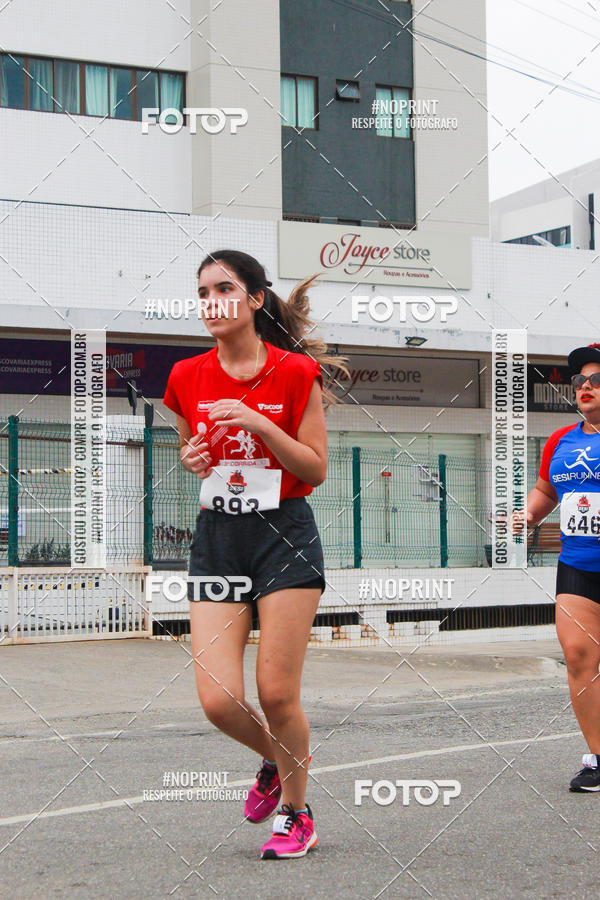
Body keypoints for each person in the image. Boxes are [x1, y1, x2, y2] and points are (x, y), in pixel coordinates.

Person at [163, 249, 344, 858]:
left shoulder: (295, 373)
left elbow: (314, 469)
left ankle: (297, 813)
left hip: (284, 536)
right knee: (217, 700)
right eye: (203, 292)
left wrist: (259, 423)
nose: (212, 302)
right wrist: (192, 458)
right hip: (219, 538)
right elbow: (193, 453)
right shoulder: (185, 376)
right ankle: (277, 760)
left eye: (225, 289)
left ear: (256, 299)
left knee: (276, 693)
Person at [518, 342, 600, 792]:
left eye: (596, 379)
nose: (585, 386)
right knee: (578, 657)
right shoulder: (560, 441)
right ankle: (598, 758)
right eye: (579, 380)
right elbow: (547, 490)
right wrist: (530, 514)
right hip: (577, 565)